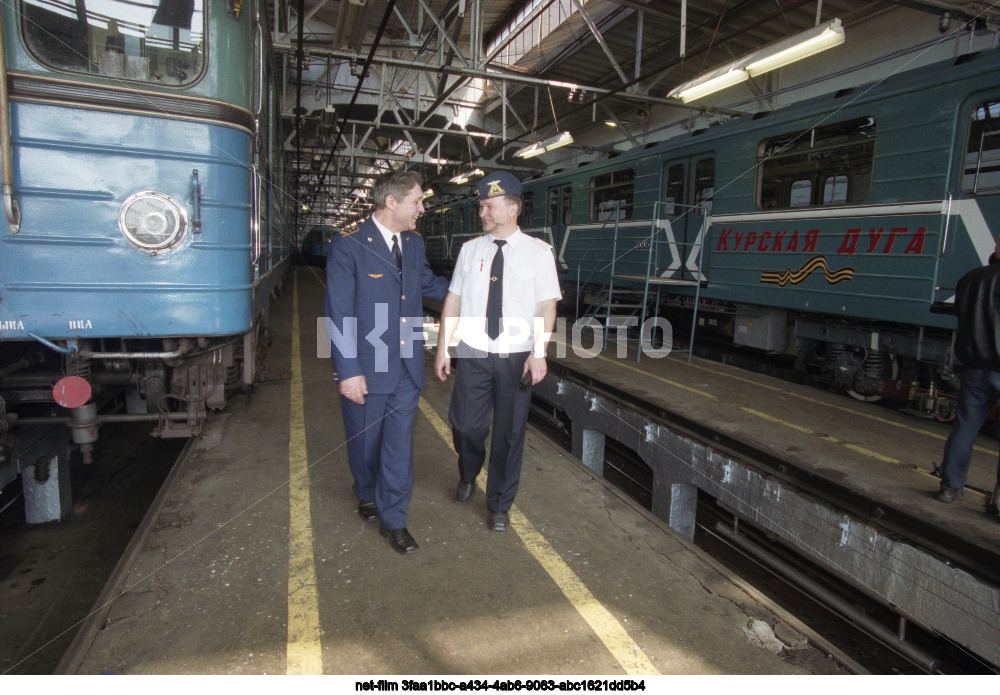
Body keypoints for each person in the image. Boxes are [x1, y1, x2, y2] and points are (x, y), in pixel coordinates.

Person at [325, 169, 449, 554]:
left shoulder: (413, 244)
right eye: (417, 201)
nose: (422, 209)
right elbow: (339, 312)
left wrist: (477, 293)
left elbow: (430, 285)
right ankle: (364, 489)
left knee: (399, 446)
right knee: (365, 444)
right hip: (367, 365)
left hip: (408, 366)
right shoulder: (349, 245)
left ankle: (393, 519)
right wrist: (348, 371)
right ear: (391, 202)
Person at [434, 171, 561, 531]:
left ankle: (499, 503)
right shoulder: (469, 250)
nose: (483, 213)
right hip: (473, 352)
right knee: (464, 426)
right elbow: (453, 300)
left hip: (516, 356)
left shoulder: (538, 253)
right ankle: (469, 471)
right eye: (481, 206)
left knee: (509, 433)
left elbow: (547, 307)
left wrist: (539, 352)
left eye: (489, 206)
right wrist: (444, 347)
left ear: (513, 208)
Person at [935, 234, 1000, 513]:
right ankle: (998, 503)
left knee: (964, 428)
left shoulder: (972, 278)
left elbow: (962, 315)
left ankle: (950, 487)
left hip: (976, 368)